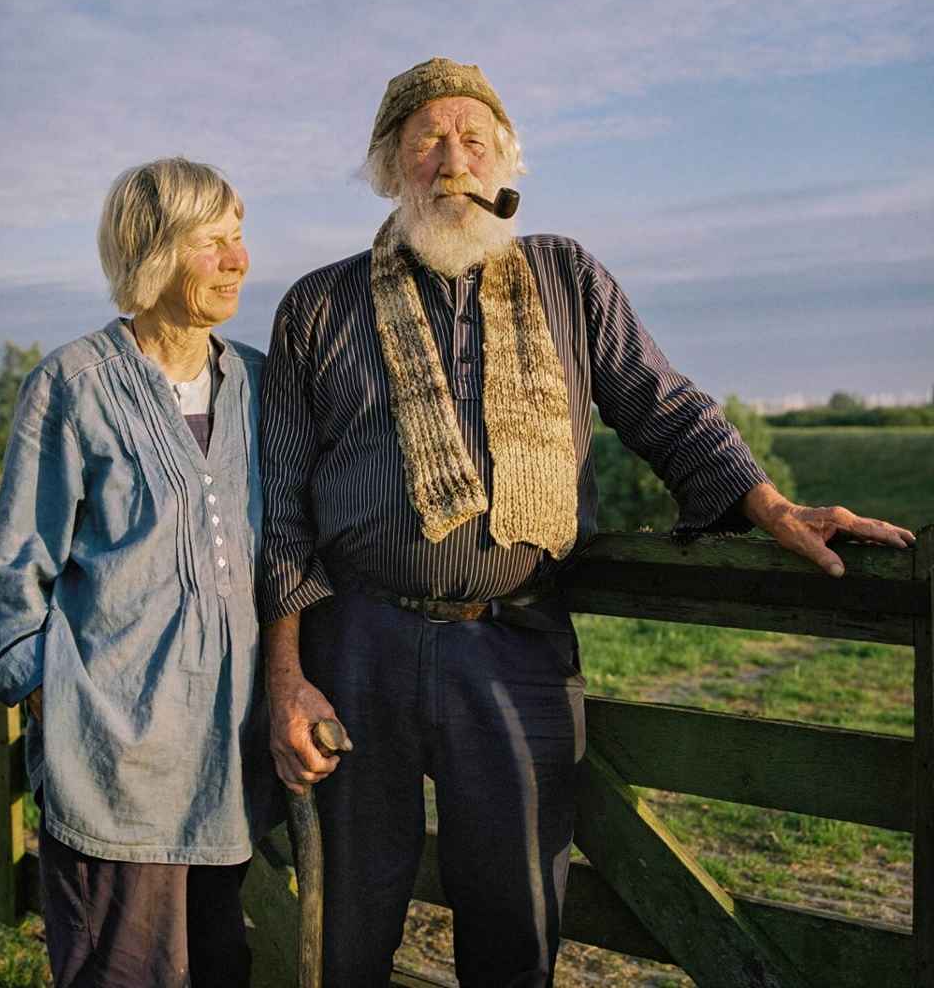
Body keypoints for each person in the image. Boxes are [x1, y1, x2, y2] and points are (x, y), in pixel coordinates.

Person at [259, 58, 915, 987]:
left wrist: (771, 505)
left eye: (473, 141)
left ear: (504, 163)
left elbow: (662, 406)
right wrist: (286, 679)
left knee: (519, 918)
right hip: (357, 643)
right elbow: (280, 506)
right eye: (428, 141)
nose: (453, 160)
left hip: (515, 642)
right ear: (388, 167)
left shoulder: (567, 277)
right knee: (348, 924)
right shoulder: (318, 308)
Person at [0, 157, 267, 988]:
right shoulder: (73, 385)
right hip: (113, 770)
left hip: (226, 767)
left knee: (220, 967)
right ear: (154, 254)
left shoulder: (256, 382)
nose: (240, 260)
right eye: (214, 243)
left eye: (240, 238)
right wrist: (58, 698)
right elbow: (10, 582)